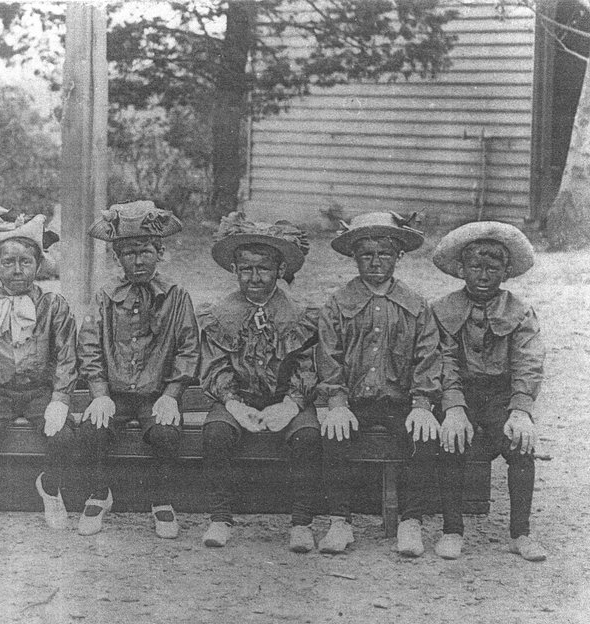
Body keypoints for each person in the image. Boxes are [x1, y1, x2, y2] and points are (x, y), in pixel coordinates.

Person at [317, 211, 442, 556]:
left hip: (400, 401)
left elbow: (428, 356)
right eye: (366, 255)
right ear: (354, 257)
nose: (375, 262)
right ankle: (340, 521)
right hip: (354, 401)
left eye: (384, 254)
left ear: (398, 257)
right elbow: (328, 357)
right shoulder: (338, 304)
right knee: (332, 434)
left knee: (424, 435)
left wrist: (422, 404)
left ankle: (411, 521)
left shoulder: (416, 306)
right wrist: (337, 403)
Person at [77, 201, 200, 539]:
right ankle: (100, 493)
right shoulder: (105, 296)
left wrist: (172, 395)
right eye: (129, 253)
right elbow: (88, 344)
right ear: (118, 258)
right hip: (114, 393)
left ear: (159, 252)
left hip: (155, 394)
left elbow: (189, 348)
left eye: (146, 251)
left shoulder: (176, 296)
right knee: (91, 430)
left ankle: (161, 498)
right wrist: (99, 394)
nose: (139, 260)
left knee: (166, 433)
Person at [197, 213, 321, 550]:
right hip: (238, 397)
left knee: (309, 435)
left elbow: (308, 365)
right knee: (216, 432)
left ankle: (301, 523)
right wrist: (233, 404)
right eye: (246, 269)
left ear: (280, 271)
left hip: (287, 398)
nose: (255, 277)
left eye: (264, 268)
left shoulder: (298, 314)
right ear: (235, 270)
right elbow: (216, 365)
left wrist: (291, 403)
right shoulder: (220, 315)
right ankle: (220, 518)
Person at [0, 204, 77, 531]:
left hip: (39, 391)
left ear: (38, 264)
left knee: (63, 437)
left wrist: (60, 400)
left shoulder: (53, 305)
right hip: (0, 392)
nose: (17, 269)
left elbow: (66, 354)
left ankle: (50, 487)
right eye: (8, 262)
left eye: (26, 261)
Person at [432, 221, 547, 561]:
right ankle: (452, 529)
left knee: (521, 446)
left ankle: (520, 533)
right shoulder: (443, 309)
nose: (483, 276)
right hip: (459, 393)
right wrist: (453, 407)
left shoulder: (520, 311)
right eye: (475, 267)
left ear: (505, 272)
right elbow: (444, 360)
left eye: (492, 268)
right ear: (461, 269)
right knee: (450, 441)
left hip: (501, 397)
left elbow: (529, 361)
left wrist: (521, 409)